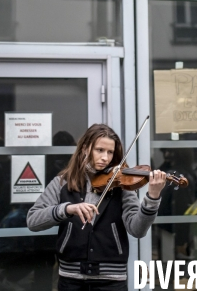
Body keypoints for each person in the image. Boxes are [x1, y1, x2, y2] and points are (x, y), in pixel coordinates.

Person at [27, 124, 166, 291]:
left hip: (111, 281)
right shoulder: (62, 182)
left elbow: (137, 229)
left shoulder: (121, 184)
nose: (105, 158)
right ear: (85, 149)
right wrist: (66, 209)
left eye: (110, 152)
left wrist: (152, 198)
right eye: (99, 150)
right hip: (71, 279)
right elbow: (32, 221)